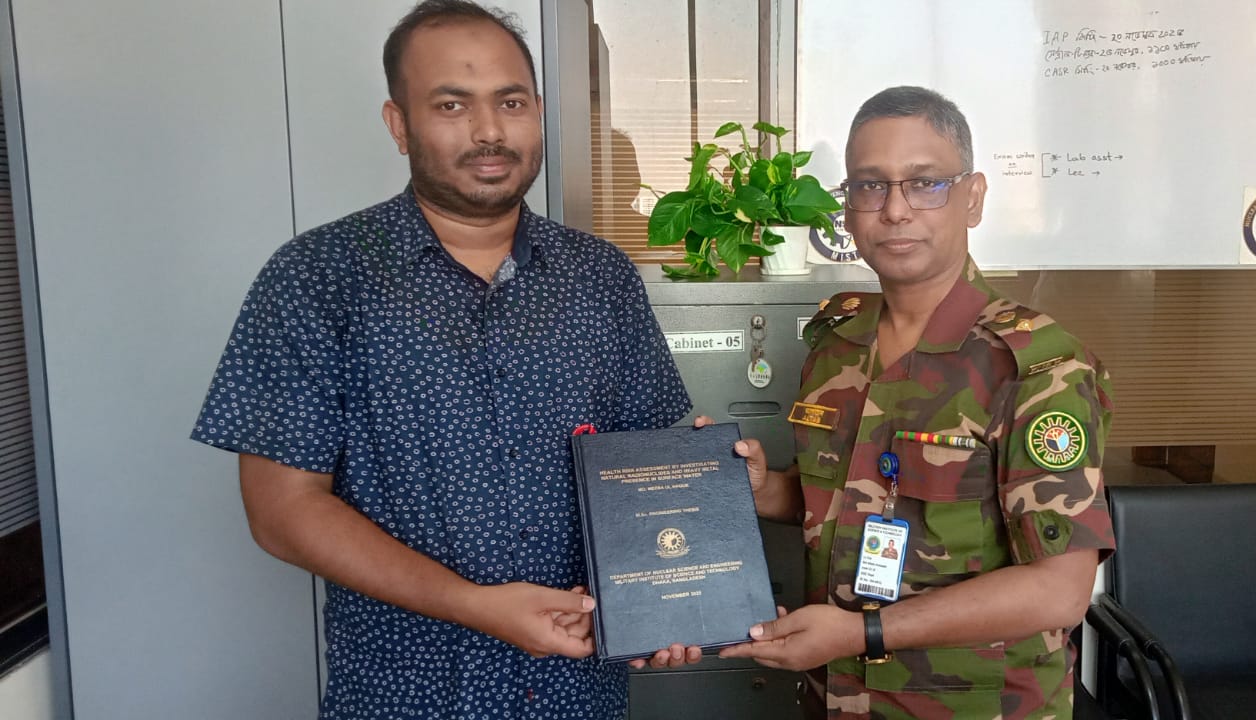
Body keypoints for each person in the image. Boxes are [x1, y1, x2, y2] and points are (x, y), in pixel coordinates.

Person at [191, 2, 696, 717]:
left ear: (538, 112)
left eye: (511, 102)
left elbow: (652, 468)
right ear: (399, 124)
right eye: (452, 105)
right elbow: (281, 509)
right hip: (405, 695)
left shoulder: (601, 277)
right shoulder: (317, 277)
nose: (489, 131)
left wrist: (665, 601)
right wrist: (472, 604)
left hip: (578, 693)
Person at [718, 86, 1116, 718]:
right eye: (870, 186)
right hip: (836, 699)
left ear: (973, 197)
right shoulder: (836, 343)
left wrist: (861, 633)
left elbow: (1058, 590)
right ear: (848, 207)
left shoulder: (1038, 366)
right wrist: (766, 490)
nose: (895, 210)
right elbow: (846, 499)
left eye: (925, 183)